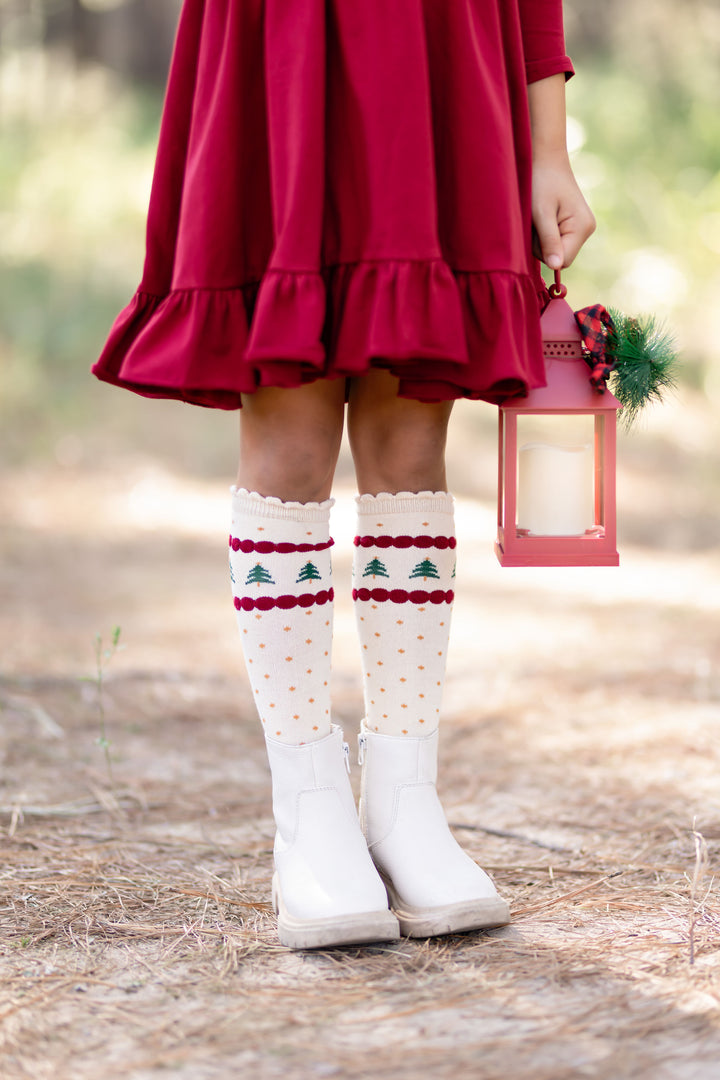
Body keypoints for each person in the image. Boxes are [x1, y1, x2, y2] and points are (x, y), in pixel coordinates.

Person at [92, 0, 595, 950]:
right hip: (283, 44)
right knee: (292, 428)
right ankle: (308, 811)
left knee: (412, 435)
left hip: (448, 47)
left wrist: (548, 148)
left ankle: (406, 800)